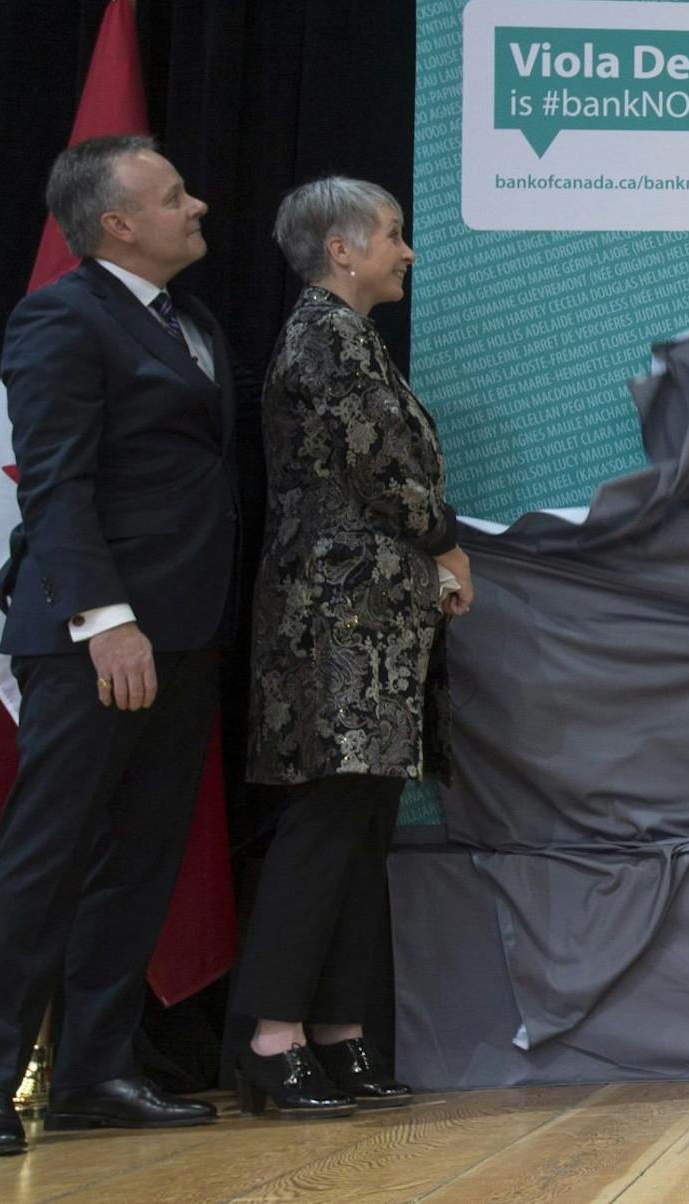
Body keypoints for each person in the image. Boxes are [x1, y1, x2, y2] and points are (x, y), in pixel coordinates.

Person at [0, 135, 236, 1156]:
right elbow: (56, 481)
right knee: (46, 858)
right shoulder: (60, 317)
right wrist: (105, 621)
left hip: (184, 632)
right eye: (173, 196)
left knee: (140, 863)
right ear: (117, 224)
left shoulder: (191, 318)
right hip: (96, 638)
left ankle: (94, 1072)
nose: (196, 205)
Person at [225, 176, 471, 1116]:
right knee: (328, 823)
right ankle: (270, 1039)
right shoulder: (327, 336)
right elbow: (384, 468)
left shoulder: (350, 335)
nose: (407, 251)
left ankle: (336, 1032)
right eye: (394, 234)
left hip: (369, 621)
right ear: (342, 249)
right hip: (335, 623)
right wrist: (446, 545)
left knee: (363, 824)